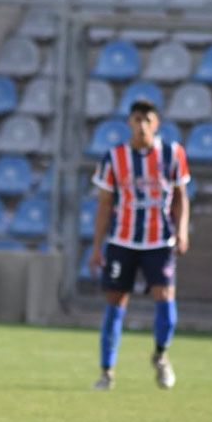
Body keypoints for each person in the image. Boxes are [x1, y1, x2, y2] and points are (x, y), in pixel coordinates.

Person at [88, 100, 191, 391]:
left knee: (165, 296)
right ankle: (107, 371)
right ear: (129, 123)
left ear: (156, 123)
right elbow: (105, 204)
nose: (142, 124)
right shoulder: (114, 157)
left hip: (160, 240)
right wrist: (97, 247)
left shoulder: (173, 154)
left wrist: (182, 231)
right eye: (136, 119)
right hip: (122, 241)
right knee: (116, 302)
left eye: (147, 119)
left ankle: (160, 355)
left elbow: (182, 196)